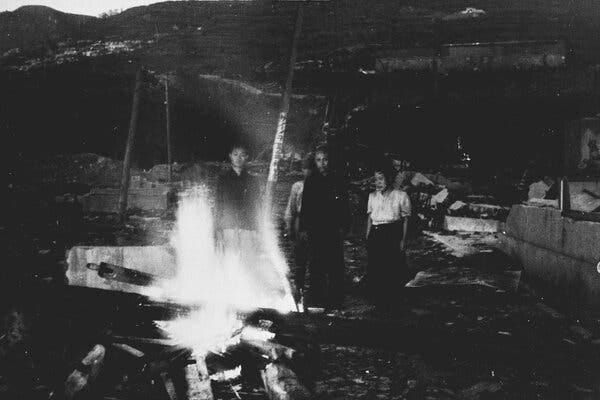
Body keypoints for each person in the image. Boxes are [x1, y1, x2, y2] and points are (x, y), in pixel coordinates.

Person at [299, 146, 350, 309]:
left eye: (325, 159)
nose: (322, 163)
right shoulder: (311, 181)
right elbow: (305, 207)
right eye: (319, 160)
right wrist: (304, 229)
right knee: (316, 266)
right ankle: (316, 300)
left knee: (335, 266)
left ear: (330, 160)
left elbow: (344, 206)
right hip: (316, 230)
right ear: (315, 162)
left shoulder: (338, 180)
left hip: (334, 230)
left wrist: (344, 227)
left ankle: (336, 302)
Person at [366, 164, 412, 310]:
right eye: (376, 180)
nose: (377, 182)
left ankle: (393, 302)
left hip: (392, 233)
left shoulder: (401, 196)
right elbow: (369, 218)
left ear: (390, 179)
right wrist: (368, 235)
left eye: (381, 179)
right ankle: (379, 302)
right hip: (376, 232)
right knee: (376, 267)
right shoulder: (372, 196)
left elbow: (405, 220)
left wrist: (403, 241)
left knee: (392, 267)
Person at [214, 143, 262, 253]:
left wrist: (258, 230)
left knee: (247, 262)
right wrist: (217, 230)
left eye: (242, 155)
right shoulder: (222, 179)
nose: (238, 158)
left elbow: (258, 206)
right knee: (230, 261)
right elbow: (218, 205)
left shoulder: (253, 180)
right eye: (235, 154)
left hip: (247, 227)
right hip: (228, 226)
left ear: (247, 157)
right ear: (230, 156)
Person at [283, 154, 314, 302]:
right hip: (300, 224)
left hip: (316, 226)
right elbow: (291, 208)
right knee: (299, 261)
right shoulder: (298, 187)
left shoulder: (321, 185)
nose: (308, 172)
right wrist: (289, 226)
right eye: (305, 169)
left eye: (310, 169)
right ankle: (298, 291)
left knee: (314, 260)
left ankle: (313, 293)